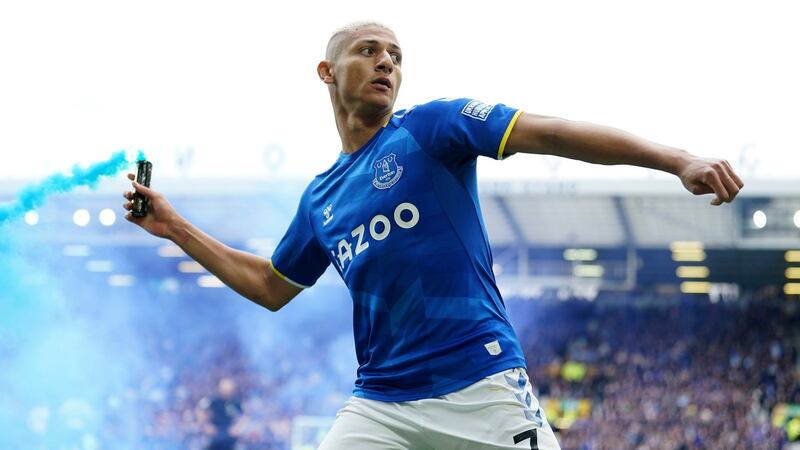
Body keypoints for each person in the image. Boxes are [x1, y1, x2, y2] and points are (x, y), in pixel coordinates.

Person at [123, 21, 743, 450]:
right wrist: (173, 226)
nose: (386, 61)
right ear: (326, 70)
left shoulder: (432, 127)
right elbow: (270, 285)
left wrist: (675, 159)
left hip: (482, 384)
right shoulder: (321, 199)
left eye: (395, 54)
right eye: (368, 50)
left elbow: (550, 133)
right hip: (382, 405)